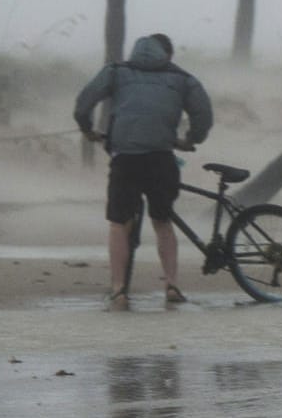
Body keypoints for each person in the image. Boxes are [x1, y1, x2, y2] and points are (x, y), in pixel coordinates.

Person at [73, 33, 213, 309]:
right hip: (161, 157)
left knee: (118, 223)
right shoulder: (183, 78)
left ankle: (118, 290)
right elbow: (203, 114)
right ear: (168, 55)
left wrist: (87, 129)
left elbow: (84, 103)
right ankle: (171, 284)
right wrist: (191, 139)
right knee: (162, 221)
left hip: (125, 158)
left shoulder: (116, 72)